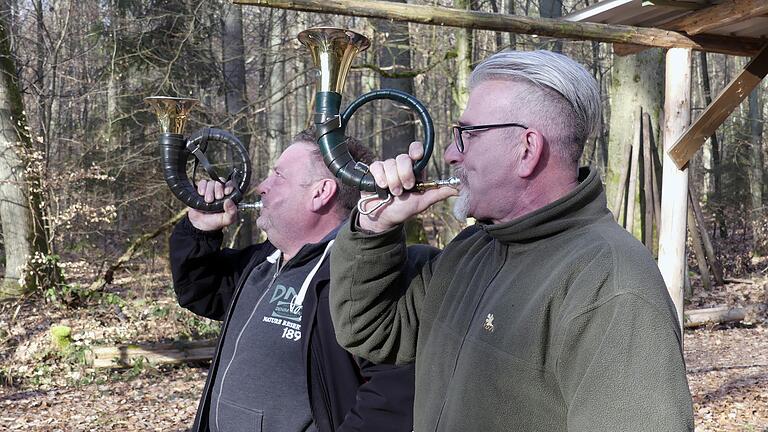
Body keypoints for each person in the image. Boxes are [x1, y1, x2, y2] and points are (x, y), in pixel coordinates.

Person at [328, 50, 695, 431]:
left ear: (527, 150)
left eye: (466, 135)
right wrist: (376, 227)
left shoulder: (611, 284)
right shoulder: (470, 250)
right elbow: (370, 332)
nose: (452, 154)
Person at [170, 129, 433, 432]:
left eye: (278, 176)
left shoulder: (362, 277)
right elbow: (199, 289)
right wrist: (199, 230)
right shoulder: (265, 261)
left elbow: (393, 397)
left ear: (321, 193)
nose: (261, 188)